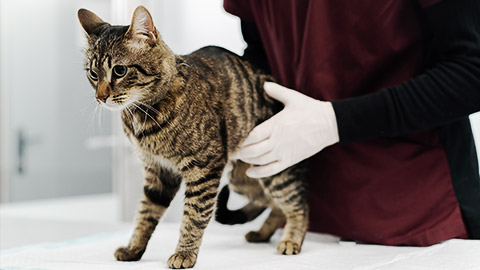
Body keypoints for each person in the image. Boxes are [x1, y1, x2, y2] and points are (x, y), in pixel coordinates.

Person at [224, 0, 480, 246]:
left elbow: (471, 73)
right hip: (301, 226)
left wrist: (331, 122)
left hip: (418, 223)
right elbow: (262, 54)